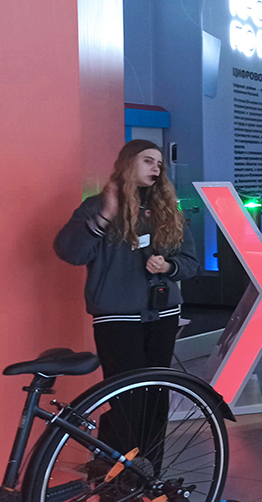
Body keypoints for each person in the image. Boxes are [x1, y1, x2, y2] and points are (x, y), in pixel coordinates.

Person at [54, 139, 199, 469]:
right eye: (148, 160)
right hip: (117, 318)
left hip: (163, 314)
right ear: (127, 163)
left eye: (159, 163)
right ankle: (114, 474)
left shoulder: (167, 209)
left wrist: (169, 267)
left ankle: (150, 473)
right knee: (125, 398)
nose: (155, 168)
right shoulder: (98, 206)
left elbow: (190, 261)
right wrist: (106, 215)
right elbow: (69, 252)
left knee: (156, 395)